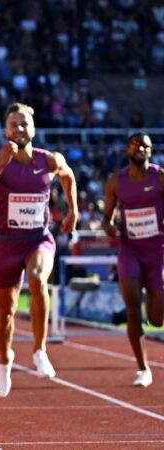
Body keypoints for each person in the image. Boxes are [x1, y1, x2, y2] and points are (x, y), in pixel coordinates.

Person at [0, 103, 78, 397]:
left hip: (38, 238)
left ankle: (39, 349)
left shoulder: (50, 160)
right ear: (6, 130)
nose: (19, 129)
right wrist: (0, 165)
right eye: (14, 124)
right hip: (6, 243)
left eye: (24, 123)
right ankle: (5, 361)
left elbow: (68, 177)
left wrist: (73, 212)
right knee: (4, 312)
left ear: (33, 129)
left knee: (38, 278)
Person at [102, 132, 164, 387]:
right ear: (128, 149)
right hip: (130, 249)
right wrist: (110, 227)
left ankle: (154, 295)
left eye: (146, 146)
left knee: (157, 319)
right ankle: (143, 368)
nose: (141, 149)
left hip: (158, 250)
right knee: (131, 303)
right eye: (136, 145)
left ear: (151, 151)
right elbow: (106, 218)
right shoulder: (116, 182)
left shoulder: (160, 177)